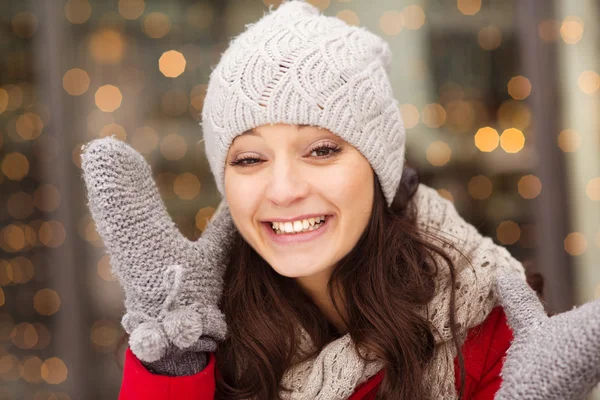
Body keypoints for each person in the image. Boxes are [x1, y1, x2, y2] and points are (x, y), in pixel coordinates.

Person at [81, 1, 600, 399]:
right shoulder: (199, 328)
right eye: (249, 159)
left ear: (379, 169)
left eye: (322, 150)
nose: (283, 190)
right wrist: (175, 361)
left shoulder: (492, 327)